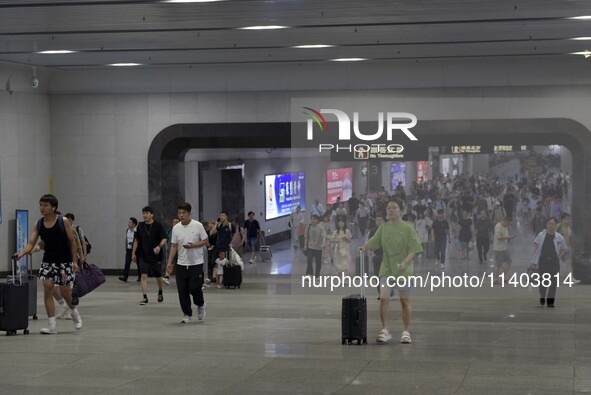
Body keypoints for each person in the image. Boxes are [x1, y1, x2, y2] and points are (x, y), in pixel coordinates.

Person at [14, 194, 82, 334]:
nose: (42, 208)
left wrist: (74, 261)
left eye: (45, 205)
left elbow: (72, 242)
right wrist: (21, 253)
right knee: (48, 289)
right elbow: (31, 243)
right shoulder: (38, 224)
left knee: (65, 292)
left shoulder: (62, 221)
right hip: (48, 262)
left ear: (54, 207)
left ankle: (74, 312)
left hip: (64, 262)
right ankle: (52, 325)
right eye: (40, 205)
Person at [364, 199, 423, 344]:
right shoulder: (383, 228)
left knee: (404, 302)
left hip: (404, 270)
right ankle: (384, 330)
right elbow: (373, 241)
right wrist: (364, 247)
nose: (390, 210)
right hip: (387, 269)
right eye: (388, 208)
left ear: (400, 210)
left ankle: (405, 332)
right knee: (384, 298)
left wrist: (405, 262)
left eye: (394, 208)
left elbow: (414, 249)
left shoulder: (408, 229)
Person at [166, 202, 209, 323]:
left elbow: (205, 241)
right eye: (179, 213)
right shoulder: (176, 228)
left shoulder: (198, 225)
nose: (181, 215)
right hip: (181, 263)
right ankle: (187, 314)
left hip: (196, 262)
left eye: (183, 213)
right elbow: (174, 245)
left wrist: (194, 245)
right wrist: (169, 262)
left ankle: (200, 304)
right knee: (182, 290)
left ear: (189, 213)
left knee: (195, 287)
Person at [132, 206, 167, 305]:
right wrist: (133, 253)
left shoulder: (158, 225)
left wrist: (159, 246)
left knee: (158, 276)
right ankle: (144, 297)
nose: (144, 215)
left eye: (147, 213)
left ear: (152, 214)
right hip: (142, 255)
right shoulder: (140, 226)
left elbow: (164, 238)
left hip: (156, 255)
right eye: (143, 213)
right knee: (143, 275)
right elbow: (136, 240)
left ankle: (160, 290)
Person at [531, 217, 567, 307]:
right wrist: (534, 258)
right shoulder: (541, 235)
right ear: (546, 225)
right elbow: (535, 244)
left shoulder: (559, 237)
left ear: (555, 225)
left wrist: (559, 257)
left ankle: (550, 302)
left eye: (553, 224)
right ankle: (542, 296)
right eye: (549, 224)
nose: (551, 226)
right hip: (543, 261)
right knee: (543, 281)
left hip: (554, 262)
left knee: (553, 282)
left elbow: (564, 248)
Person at [557, 213, 580, 284]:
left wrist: (571, 246)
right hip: (559, 248)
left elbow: (570, 238)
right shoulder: (559, 226)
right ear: (563, 219)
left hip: (567, 247)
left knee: (569, 263)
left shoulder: (569, 227)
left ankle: (571, 278)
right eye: (567, 219)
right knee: (554, 263)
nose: (569, 220)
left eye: (569, 219)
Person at [492, 217, 516, 284]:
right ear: (504, 221)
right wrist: (508, 238)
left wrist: (509, 236)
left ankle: (505, 278)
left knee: (509, 261)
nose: (507, 226)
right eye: (507, 224)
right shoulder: (498, 227)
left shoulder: (505, 227)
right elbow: (499, 237)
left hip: (505, 248)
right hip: (498, 249)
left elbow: (505, 235)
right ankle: (495, 280)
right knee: (498, 264)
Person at [119, 217, 138, 282]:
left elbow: (137, 241)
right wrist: (126, 247)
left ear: (134, 224)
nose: (128, 223)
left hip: (136, 250)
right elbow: (126, 239)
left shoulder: (137, 231)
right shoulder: (127, 230)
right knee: (127, 263)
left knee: (139, 264)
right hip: (129, 249)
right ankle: (125, 276)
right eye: (128, 222)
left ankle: (140, 276)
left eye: (130, 222)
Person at [162, 217, 180, 285]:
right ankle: (166, 277)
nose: (175, 223)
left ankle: (179, 278)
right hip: (170, 250)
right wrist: (166, 247)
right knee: (170, 263)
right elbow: (166, 239)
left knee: (178, 265)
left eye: (176, 222)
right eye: (174, 222)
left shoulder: (181, 230)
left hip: (179, 250)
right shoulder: (170, 231)